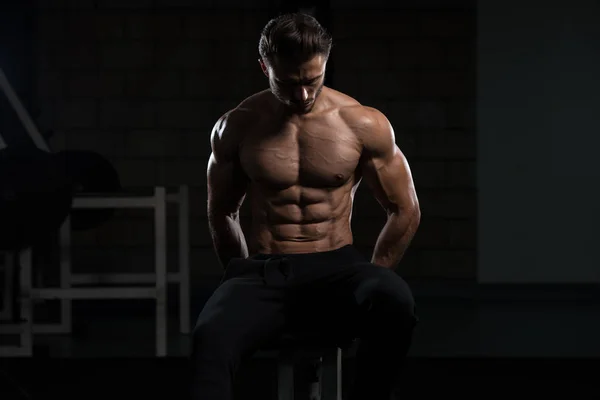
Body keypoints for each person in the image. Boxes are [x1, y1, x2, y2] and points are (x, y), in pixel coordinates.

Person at [192, 12, 421, 400]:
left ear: (326, 64)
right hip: (265, 268)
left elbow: (405, 209)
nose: (302, 95)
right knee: (210, 335)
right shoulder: (237, 126)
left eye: (312, 81)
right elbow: (223, 211)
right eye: (288, 83)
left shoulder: (363, 123)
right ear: (265, 66)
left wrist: (372, 273)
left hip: (338, 266)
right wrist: (238, 275)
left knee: (394, 299)